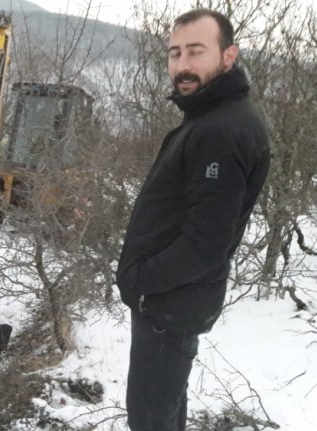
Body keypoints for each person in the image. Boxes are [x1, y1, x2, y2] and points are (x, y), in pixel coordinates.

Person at [115, 9, 270, 431]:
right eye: (175, 53)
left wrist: (142, 280)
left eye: (196, 52)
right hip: (169, 304)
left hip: (169, 305)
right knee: (163, 414)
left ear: (228, 55)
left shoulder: (221, 130)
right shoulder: (208, 119)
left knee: (150, 421)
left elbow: (205, 244)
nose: (182, 65)